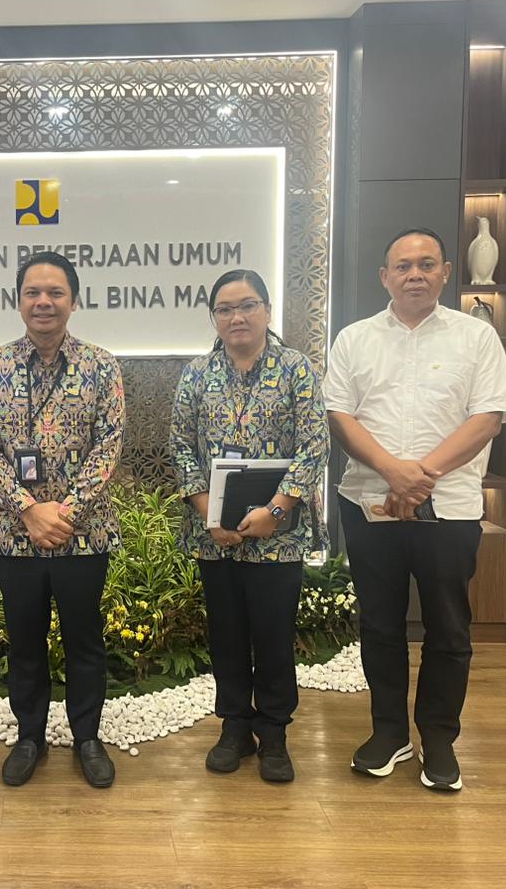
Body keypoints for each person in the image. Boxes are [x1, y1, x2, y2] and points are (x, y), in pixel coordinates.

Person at [324, 227, 506, 792]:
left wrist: (419, 476)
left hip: (450, 507)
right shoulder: (355, 339)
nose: (415, 274)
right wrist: (393, 471)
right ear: (384, 277)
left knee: (449, 627)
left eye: (426, 264)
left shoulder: (475, 337)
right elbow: (340, 416)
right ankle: (389, 733)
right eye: (403, 266)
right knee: (379, 624)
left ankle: (438, 738)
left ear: (445, 272)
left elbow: (489, 418)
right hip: (370, 503)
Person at [0, 251, 125, 789]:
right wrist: (28, 508)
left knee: (84, 640)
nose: (44, 302)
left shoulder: (101, 365)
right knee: (25, 640)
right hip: (14, 534)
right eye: (33, 292)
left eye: (55, 292)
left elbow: (109, 445)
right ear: (18, 301)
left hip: (84, 535)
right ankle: (29, 736)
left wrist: (65, 512)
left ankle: (88, 738)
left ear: (73, 301)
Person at [169, 269, 328, 783]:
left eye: (247, 305)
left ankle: (274, 732)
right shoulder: (197, 374)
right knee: (227, 634)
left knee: (274, 635)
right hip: (215, 537)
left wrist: (275, 512)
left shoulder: (296, 369)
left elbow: (314, 445)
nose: (236, 317)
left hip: (278, 536)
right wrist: (209, 514)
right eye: (225, 309)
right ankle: (235, 726)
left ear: (267, 311)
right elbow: (180, 446)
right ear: (213, 317)